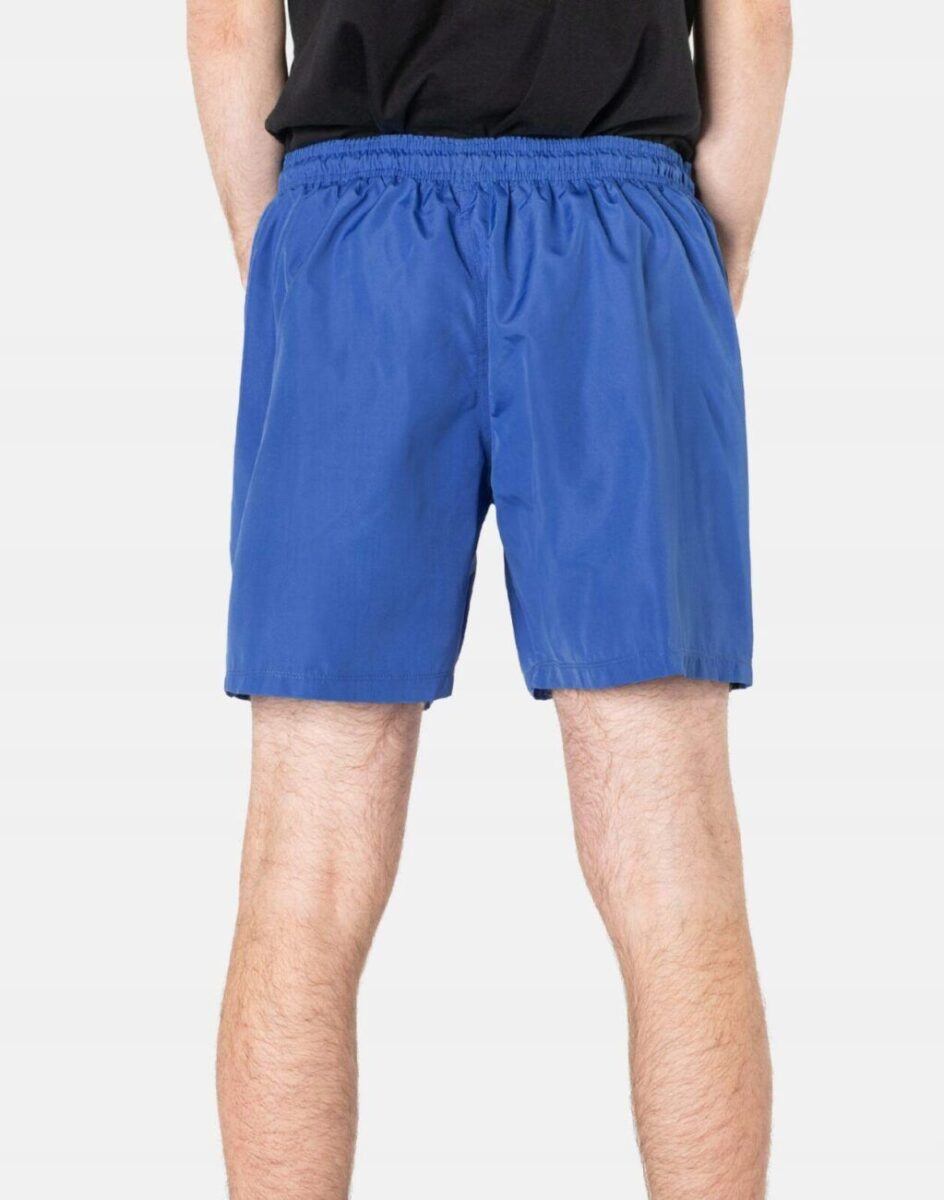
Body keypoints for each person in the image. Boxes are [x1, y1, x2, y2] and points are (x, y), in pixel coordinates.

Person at [187, 0, 792, 1195]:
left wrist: (294, 266)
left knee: (304, 865)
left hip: (353, 226)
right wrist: (702, 256)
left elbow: (223, 25)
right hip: (616, 230)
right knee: (672, 856)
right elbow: (753, 21)